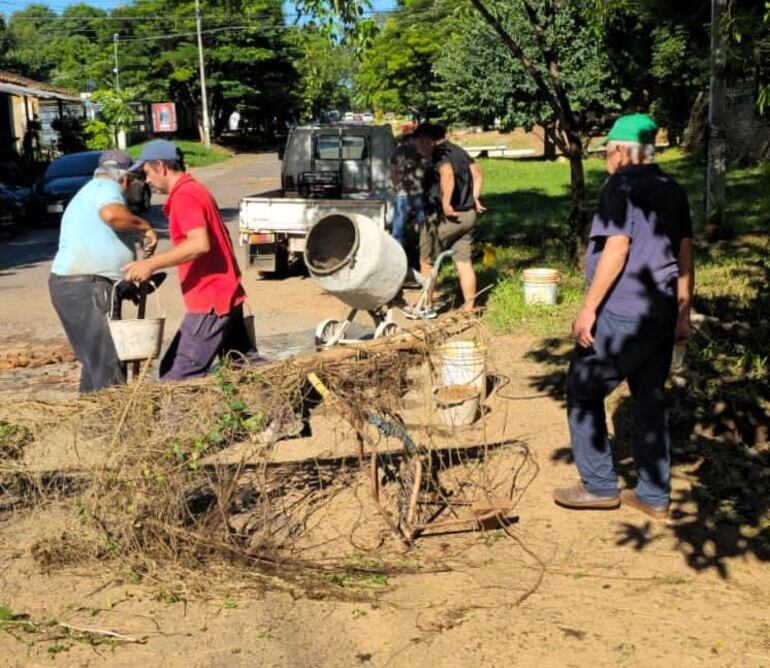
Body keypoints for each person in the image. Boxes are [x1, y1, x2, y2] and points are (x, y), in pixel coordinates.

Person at [552, 113, 694, 521]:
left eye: (609, 152)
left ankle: (597, 486)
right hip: (661, 312)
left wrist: (588, 309)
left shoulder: (621, 185)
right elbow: (685, 251)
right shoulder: (672, 187)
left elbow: (617, 248)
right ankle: (652, 494)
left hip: (623, 312)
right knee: (649, 396)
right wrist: (683, 310)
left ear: (624, 151)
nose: (607, 160)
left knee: (582, 388)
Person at [123, 139, 255, 381]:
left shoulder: (185, 195)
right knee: (245, 368)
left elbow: (199, 244)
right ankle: (279, 413)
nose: (147, 181)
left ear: (161, 166)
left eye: (147, 173)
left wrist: (150, 264)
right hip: (225, 294)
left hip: (212, 300)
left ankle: (176, 420)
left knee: (177, 378)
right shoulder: (194, 190)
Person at [49, 149, 158, 392]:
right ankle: (114, 422)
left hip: (75, 287)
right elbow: (111, 215)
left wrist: (125, 285)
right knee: (108, 364)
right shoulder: (108, 188)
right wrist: (145, 227)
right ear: (125, 178)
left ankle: (95, 423)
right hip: (88, 288)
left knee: (96, 363)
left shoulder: (88, 192)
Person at [412, 123, 485, 316]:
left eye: (418, 144)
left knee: (427, 262)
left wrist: (445, 204)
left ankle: (427, 307)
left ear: (427, 140)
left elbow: (447, 173)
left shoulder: (440, 155)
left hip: (445, 218)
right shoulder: (459, 151)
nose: (418, 150)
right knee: (463, 262)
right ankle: (469, 308)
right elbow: (477, 171)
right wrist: (475, 197)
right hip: (468, 215)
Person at [389, 131, 425, 248]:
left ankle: (398, 251)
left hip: (403, 193)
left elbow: (393, 170)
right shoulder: (421, 150)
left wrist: (396, 185)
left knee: (399, 226)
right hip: (419, 191)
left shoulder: (398, 152)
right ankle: (424, 247)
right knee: (423, 221)